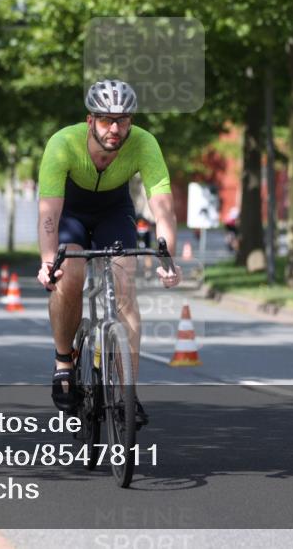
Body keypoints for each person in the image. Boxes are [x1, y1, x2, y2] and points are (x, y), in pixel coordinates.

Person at [36, 79, 180, 427]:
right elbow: (49, 214)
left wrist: (167, 258)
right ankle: (63, 362)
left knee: (125, 286)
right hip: (70, 212)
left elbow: (162, 208)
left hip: (114, 211)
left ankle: (127, 393)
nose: (114, 128)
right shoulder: (62, 144)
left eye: (123, 120)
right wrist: (47, 260)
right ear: (90, 121)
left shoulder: (145, 143)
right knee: (69, 274)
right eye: (105, 120)